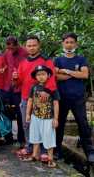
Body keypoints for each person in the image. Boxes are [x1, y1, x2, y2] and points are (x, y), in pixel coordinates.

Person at [13, 35, 57, 156]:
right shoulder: (23, 63)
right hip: (26, 97)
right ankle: (29, 147)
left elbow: (52, 77)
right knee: (26, 124)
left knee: (43, 125)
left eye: (34, 45)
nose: (31, 48)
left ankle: (43, 151)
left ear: (39, 46)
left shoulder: (46, 60)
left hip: (42, 99)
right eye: (29, 45)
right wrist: (15, 78)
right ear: (25, 47)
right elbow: (18, 83)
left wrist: (47, 91)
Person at [55, 32, 94, 162]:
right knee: (59, 125)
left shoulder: (81, 59)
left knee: (83, 124)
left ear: (76, 44)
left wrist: (66, 71)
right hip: (62, 98)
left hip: (78, 98)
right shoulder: (58, 60)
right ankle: (57, 151)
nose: (69, 44)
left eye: (72, 42)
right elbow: (55, 76)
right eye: (67, 42)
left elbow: (84, 75)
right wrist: (74, 74)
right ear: (63, 43)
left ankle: (89, 151)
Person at [23, 65, 59, 168]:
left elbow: (56, 103)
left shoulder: (52, 88)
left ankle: (50, 158)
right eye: (38, 74)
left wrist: (56, 118)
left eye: (43, 74)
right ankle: (35, 155)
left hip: (48, 118)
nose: (41, 76)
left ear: (48, 75)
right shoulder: (34, 87)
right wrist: (28, 114)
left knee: (49, 137)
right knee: (35, 136)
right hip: (35, 117)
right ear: (35, 77)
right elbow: (30, 100)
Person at [3, 36, 28, 148]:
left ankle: (21, 139)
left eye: (12, 47)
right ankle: (8, 139)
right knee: (7, 112)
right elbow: (5, 66)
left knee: (20, 114)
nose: (10, 49)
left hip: (20, 88)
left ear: (17, 45)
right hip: (9, 87)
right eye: (8, 47)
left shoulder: (25, 52)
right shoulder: (7, 52)